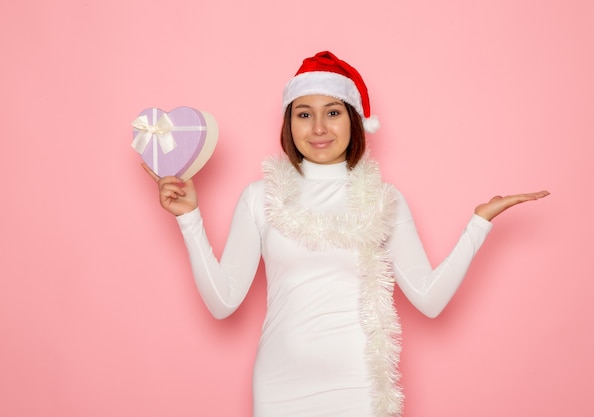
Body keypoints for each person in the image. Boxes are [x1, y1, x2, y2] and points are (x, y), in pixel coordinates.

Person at [142, 51, 549, 417]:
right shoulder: (259, 196)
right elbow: (222, 303)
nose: (318, 127)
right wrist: (189, 218)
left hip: (359, 388)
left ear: (354, 120)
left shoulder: (383, 200)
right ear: (289, 122)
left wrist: (479, 223)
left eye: (333, 112)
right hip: (281, 386)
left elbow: (429, 299)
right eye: (304, 114)